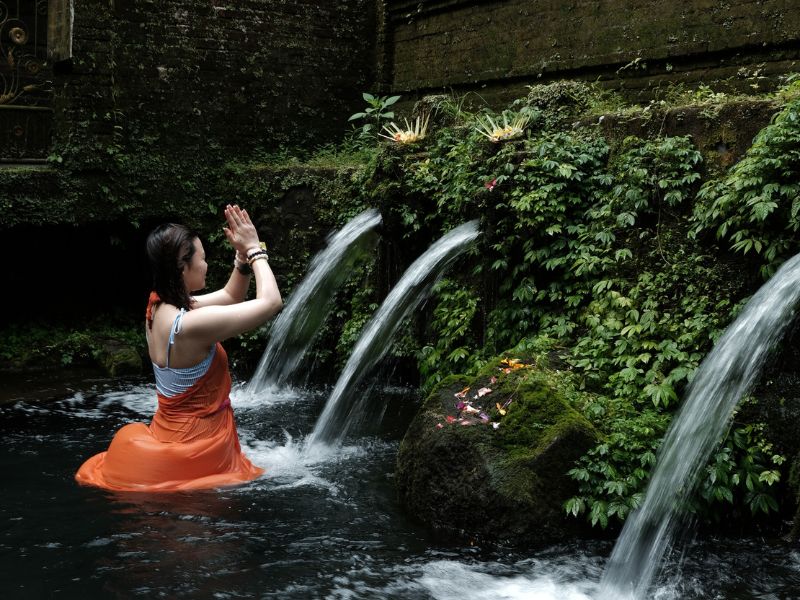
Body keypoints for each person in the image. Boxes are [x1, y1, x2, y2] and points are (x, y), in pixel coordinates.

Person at [76, 204, 282, 492]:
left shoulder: (158, 306)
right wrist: (256, 251)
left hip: (170, 432)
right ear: (182, 267)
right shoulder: (189, 327)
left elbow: (231, 296)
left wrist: (243, 260)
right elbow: (271, 303)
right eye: (204, 259)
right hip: (198, 446)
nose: (207, 265)